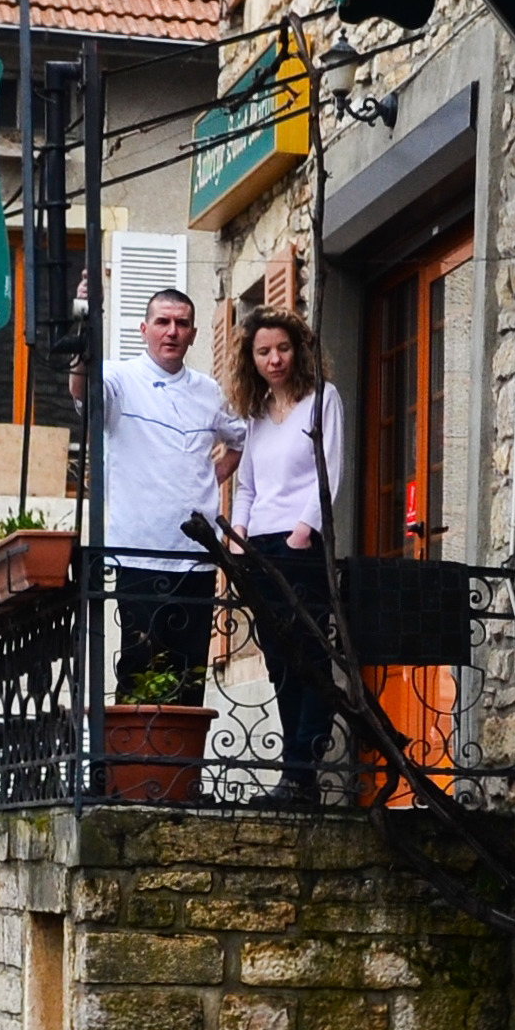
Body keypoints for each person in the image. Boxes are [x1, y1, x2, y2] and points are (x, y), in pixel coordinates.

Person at [215, 306, 348, 805]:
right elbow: (247, 486)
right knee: (278, 660)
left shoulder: (322, 401)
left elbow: (330, 470)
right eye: (264, 351)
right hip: (259, 547)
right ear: (251, 358)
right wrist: (240, 534)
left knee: (311, 658)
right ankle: (296, 779)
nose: (275, 359)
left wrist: (302, 531)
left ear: (300, 349)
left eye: (283, 349)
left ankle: (302, 769)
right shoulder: (254, 416)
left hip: (301, 545)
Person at [97, 287, 230, 700]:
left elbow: (241, 437)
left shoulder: (210, 391)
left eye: (182, 324)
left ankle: (182, 766)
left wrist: (215, 475)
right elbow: (83, 393)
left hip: (196, 559)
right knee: (140, 667)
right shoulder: (118, 378)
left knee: (190, 674)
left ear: (192, 334)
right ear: (144, 329)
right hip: (138, 551)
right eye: (163, 322)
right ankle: (133, 765)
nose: (172, 332)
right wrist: (83, 325)